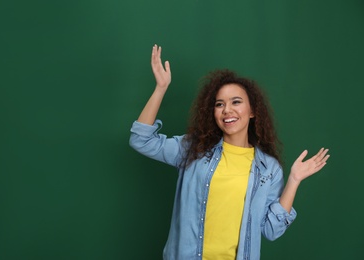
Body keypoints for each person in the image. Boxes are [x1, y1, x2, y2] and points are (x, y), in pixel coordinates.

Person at [129, 45, 330, 260]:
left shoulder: (268, 169)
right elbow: (141, 140)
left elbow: (272, 230)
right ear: (213, 112)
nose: (227, 110)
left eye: (236, 102)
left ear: (252, 111)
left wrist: (294, 180)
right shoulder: (194, 149)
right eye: (219, 104)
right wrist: (160, 88)